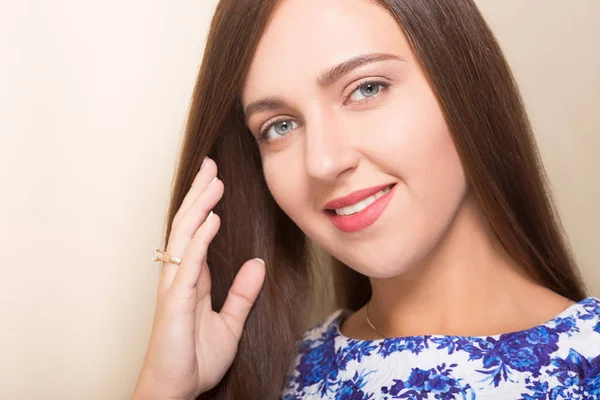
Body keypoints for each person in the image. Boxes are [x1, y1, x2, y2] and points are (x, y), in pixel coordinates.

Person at [131, 0, 600, 399]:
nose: (322, 162)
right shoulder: (274, 377)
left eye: (366, 88)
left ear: (464, 85)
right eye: (280, 126)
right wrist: (163, 388)